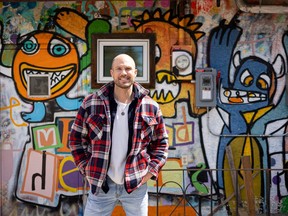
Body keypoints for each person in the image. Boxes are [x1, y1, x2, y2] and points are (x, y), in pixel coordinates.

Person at [68, 53, 169, 216]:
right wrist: (86, 168)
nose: (123, 73)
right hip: (101, 185)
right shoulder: (92, 103)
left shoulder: (151, 106)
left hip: (136, 185)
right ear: (111, 73)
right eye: (119, 69)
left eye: (128, 68)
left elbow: (161, 143)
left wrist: (151, 171)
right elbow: (76, 140)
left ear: (135, 72)